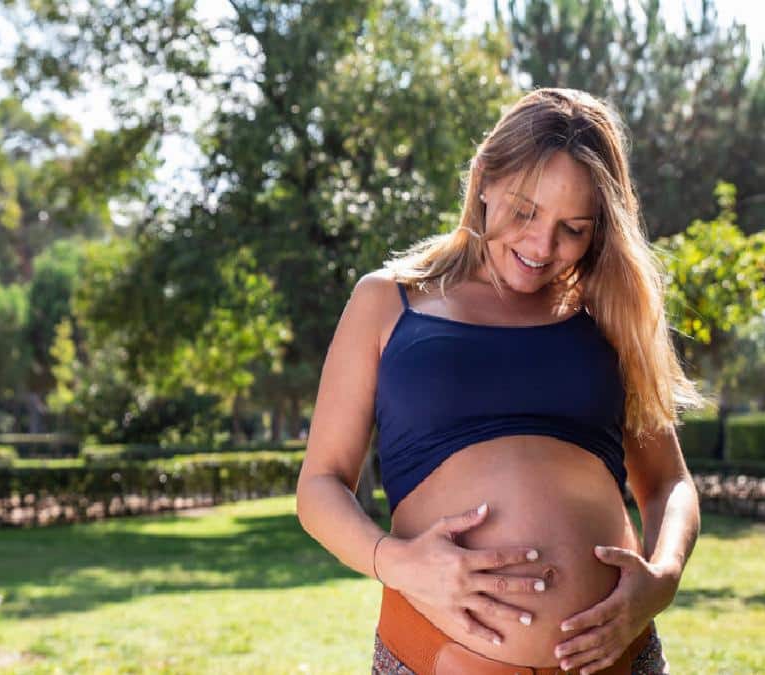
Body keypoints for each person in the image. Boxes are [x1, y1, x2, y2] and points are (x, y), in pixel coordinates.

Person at [296, 87, 707, 675]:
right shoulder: (387, 302)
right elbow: (320, 486)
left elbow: (670, 483)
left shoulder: (610, 317)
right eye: (525, 211)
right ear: (484, 180)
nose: (543, 246)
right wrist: (396, 561)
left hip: (618, 660)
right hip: (437, 657)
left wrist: (662, 576)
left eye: (575, 228)